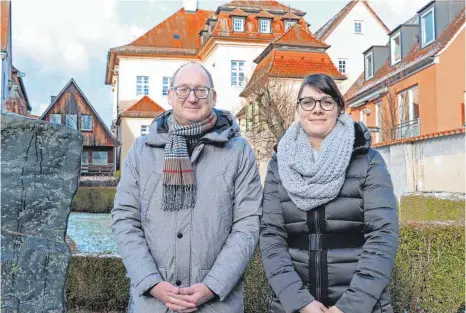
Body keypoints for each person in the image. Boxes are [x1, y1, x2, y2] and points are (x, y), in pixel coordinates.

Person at [112, 62, 262, 313]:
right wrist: (151, 282)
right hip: (153, 304)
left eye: (201, 90)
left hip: (217, 304)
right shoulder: (142, 151)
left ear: (213, 97)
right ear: (170, 95)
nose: (192, 98)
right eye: (183, 90)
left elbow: (248, 224)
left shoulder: (238, 151)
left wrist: (213, 286)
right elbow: (125, 219)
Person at [259, 74, 399, 313]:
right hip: (293, 305)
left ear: (339, 108)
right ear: (298, 108)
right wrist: (300, 302)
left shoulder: (367, 161)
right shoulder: (279, 164)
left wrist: (349, 307)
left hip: (361, 304)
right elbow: (271, 236)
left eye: (326, 101)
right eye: (308, 102)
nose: (317, 110)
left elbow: (383, 236)